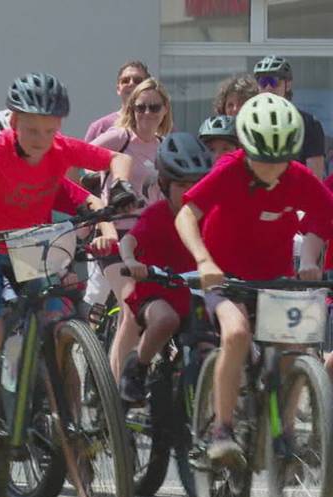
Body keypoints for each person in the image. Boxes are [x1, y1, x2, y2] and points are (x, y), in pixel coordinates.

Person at [0, 73, 133, 430]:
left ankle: (57, 418)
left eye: (49, 131)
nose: (41, 141)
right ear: (15, 121)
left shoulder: (59, 150)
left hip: (29, 252)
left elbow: (116, 159)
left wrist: (119, 188)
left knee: (58, 322)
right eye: (32, 130)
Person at [175, 93, 333, 462]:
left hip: (275, 280)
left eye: (280, 160)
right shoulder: (228, 170)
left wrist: (310, 256)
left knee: (297, 348)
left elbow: (323, 218)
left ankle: (286, 433)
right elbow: (186, 215)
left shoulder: (299, 177)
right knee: (237, 333)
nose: (271, 169)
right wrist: (203, 261)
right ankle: (221, 430)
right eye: (263, 160)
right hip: (223, 278)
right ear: (246, 148)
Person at [118, 133, 213, 403]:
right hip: (156, 290)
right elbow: (129, 240)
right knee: (165, 320)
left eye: (198, 184)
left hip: (194, 296)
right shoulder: (157, 214)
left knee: (211, 342)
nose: (190, 191)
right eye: (182, 184)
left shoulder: (208, 216)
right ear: (164, 184)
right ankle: (138, 367)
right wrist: (131, 261)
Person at [88, 77, 173, 380]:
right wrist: (91, 207)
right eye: (140, 107)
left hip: (148, 237)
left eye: (154, 107)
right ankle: (116, 393)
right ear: (131, 108)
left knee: (156, 308)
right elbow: (77, 159)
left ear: (165, 110)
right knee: (131, 307)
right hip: (114, 233)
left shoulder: (165, 148)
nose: (147, 114)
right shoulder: (119, 137)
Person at [254, 55, 326, 179]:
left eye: (274, 81)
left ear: (288, 85)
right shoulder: (251, 123)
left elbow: (315, 179)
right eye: (263, 82)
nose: (269, 87)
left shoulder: (308, 124)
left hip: (295, 194)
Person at [84, 61, 150, 142]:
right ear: (118, 89)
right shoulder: (100, 127)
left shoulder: (155, 122)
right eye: (125, 80)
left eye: (137, 80)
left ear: (147, 87)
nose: (131, 83)